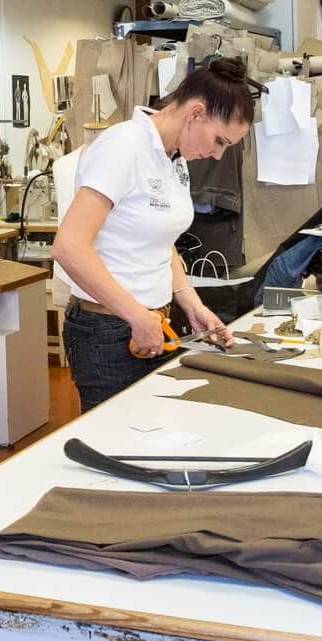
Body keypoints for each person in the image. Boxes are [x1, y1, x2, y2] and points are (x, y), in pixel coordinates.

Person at [52, 58, 257, 411]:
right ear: (196, 114)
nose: (217, 155)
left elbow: (160, 241)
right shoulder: (123, 147)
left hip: (152, 321)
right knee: (117, 436)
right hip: (107, 329)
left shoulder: (174, 158)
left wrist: (191, 302)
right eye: (219, 141)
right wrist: (136, 315)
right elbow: (69, 246)